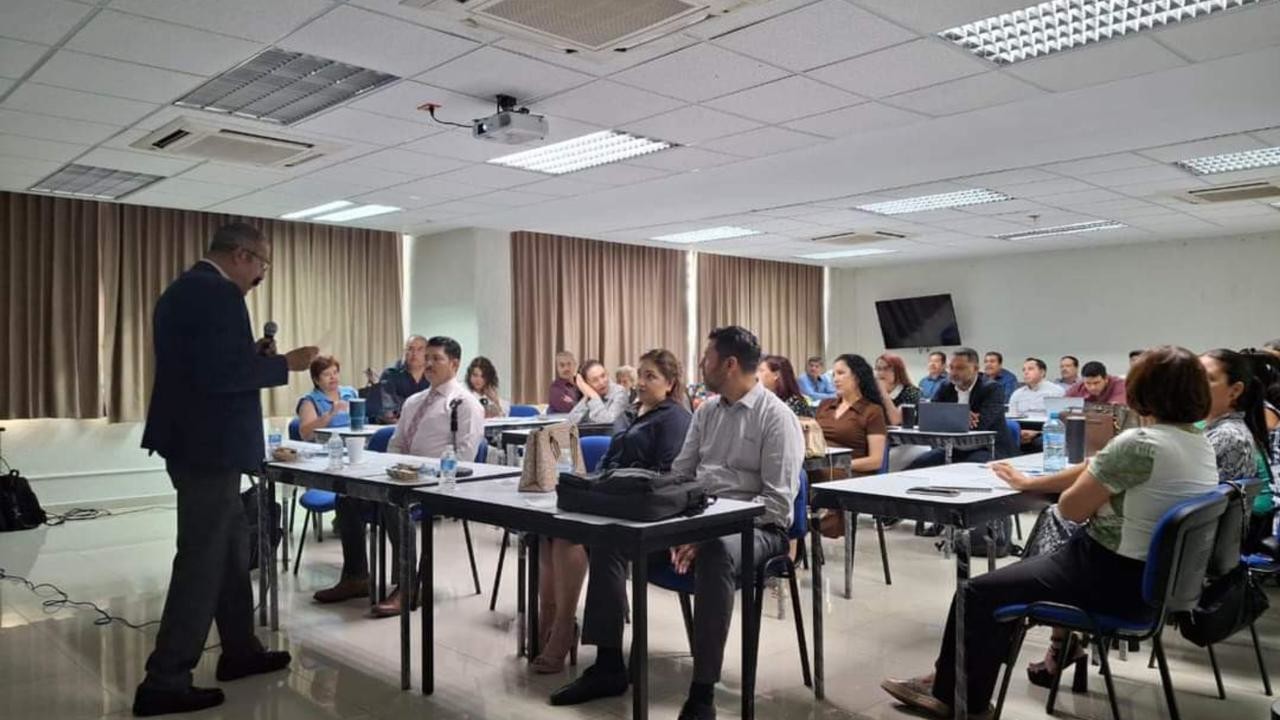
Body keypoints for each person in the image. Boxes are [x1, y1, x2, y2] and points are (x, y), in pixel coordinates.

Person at [883, 346, 1219, 718]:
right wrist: (1032, 481)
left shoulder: (1138, 444)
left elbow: (1071, 509)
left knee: (977, 593)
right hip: (1154, 587)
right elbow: (1097, 467)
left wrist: (1050, 487)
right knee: (1011, 582)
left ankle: (954, 696)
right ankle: (951, 678)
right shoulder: (1198, 444)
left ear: (1143, 392)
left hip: (1107, 575)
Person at [550, 326, 803, 720]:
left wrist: (707, 533)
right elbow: (678, 477)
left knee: (717, 552)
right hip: (697, 519)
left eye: (708, 358)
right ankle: (609, 665)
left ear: (730, 364)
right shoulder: (707, 413)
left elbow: (775, 504)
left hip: (756, 529)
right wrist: (680, 527)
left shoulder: (776, 418)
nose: (701, 365)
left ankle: (702, 694)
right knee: (610, 539)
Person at [134, 222, 318, 716]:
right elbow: (221, 376)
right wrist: (287, 364)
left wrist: (248, 356)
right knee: (201, 560)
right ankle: (165, 679)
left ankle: (240, 650)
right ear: (242, 255)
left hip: (193, 442)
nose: (261, 275)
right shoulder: (217, 294)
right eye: (262, 265)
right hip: (209, 448)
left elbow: (208, 365)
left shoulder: (183, 289)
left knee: (231, 550)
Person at [533, 349, 693, 674]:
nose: (642, 382)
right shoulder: (631, 414)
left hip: (644, 511)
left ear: (670, 383)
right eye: (641, 375)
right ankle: (551, 621)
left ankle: (563, 628)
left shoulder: (675, 418)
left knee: (570, 536)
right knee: (550, 531)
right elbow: (608, 459)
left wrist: (613, 484)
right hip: (612, 500)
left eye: (651, 377)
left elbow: (666, 475)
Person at [312, 337, 484, 617]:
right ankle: (356, 577)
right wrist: (396, 469)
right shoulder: (414, 401)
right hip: (403, 478)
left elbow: (464, 458)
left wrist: (421, 472)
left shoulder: (465, 404)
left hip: (439, 484)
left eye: (436, 358)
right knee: (348, 500)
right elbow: (396, 443)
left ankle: (408, 587)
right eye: (426, 357)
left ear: (454, 364)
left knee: (395, 503)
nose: (428, 363)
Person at [1201, 349, 1275, 553]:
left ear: (1235, 391)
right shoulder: (1215, 428)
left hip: (1204, 548)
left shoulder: (1228, 436)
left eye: (1207, 379)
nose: (1194, 385)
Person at [815, 354, 889, 538]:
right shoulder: (825, 406)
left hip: (853, 470)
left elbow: (876, 461)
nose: (835, 379)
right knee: (792, 475)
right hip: (819, 465)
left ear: (857, 377)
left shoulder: (872, 411)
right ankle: (794, 530)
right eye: (834, 374)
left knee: (808, 478)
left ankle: (814, 525)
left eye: (841, 373)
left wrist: (835, 464)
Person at [907, 348, 1014, 468]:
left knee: (966, 469)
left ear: (975, 369)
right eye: (951, 367)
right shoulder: (946, 386)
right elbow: (931, 417)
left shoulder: (992, 388)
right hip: (952, 448)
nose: (953, 373)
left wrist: (949, 416)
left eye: (960, 368)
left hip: (987, 448)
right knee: (916, 466)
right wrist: (960, 415)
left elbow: (981, 425)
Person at [1008, 357, 1066, 452]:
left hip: (1045, 431)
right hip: (1021, 431)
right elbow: (1012, 418)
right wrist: (1019, 432)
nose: (1026, 372)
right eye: (1024, 370)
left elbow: (1060, 422)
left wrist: (1037, 432)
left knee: (1043, 441)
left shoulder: (1056, 391)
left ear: (1042, 372)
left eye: (1030, 369)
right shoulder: (1017, 393)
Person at [295, 356, 359, 440]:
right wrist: (330, 414)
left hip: (357, 441)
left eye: (335, 372)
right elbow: (305, 435)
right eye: (327, 374)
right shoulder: (309, 401)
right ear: (316, 380)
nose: (333, 377)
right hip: (329, 446)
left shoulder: (351, 393)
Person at [374, 335, 430, 423]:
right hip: (396, 426)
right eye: (410, 349)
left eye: (420, 349)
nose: (414, 353)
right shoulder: (391, 374)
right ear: (405, 351)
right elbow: (388, 410)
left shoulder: (433, 376)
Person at [567, 359, 630, 425]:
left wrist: (594, 396)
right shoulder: (590, 395)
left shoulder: (620, 392)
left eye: (603, 376)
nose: (601, 382)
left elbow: (608, 423)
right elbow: (570, 422)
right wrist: (588, 395)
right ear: (587, 385)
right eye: (595, 380)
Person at [874, 352, 922, 426]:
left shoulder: (911, 392)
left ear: (897, 371)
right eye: (878, 369)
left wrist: (884, 393)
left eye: (886, 369)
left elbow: (896, 421)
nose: (881, 373)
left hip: (903, 436)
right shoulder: (873, 392)